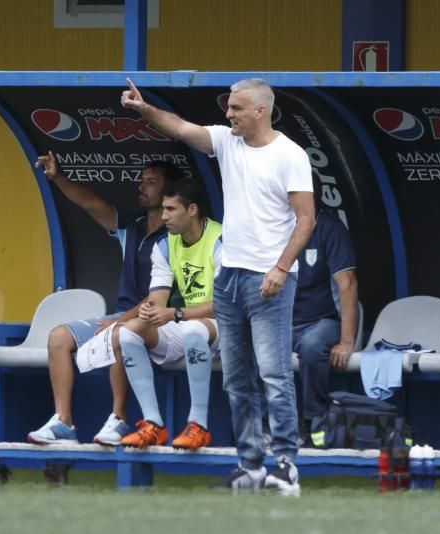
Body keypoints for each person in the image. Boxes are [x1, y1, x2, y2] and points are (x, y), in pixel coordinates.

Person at [121, 77, 315, 495]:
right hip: (230, 279)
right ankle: (249, 466)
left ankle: (286, 466)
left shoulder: (290, 155)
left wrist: (281, 268)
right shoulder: (227, 142)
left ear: (261, 111)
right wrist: (145, 109)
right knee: (236, 379)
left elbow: (306, 219)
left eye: (236, 109)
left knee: (275, 375)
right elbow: (179, 127)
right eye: (228, 109)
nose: (228, 115)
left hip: (270, 280)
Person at [27, 152, 181, 445]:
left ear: (168, 192)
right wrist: (58, 177)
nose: (142, 186)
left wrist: (119, 321)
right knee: (59, 337)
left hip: (157, 322)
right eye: (142, 179)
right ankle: (63, 422)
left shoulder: (176, 233)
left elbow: (158, 299)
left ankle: (119, 420)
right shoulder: (131, 225)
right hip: (122, 316)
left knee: (121, 335)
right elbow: (90, 203)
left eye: (151, 182)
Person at [110, 178, 222, 450]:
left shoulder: (221, 239)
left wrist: (174, 314)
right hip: (187, 321)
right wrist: (152, 310)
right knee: (128, 333)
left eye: (171, 209)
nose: (164, 216)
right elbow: (159, 298)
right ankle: (153, 424)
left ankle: (199, 425)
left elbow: (226, 303)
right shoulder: (165, 244)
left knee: (195, 330)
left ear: (192, 210)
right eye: (163, 209)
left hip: (228, 325)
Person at [292, 177, 358, 441]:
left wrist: (346, 340)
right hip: (284, 322)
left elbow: (348, 283)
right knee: (253, 345)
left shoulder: (330, 228)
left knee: (311, 346)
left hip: (323, 320)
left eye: (293, 194)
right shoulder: (279, 228)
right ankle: (266, 422)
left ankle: (312, 420)